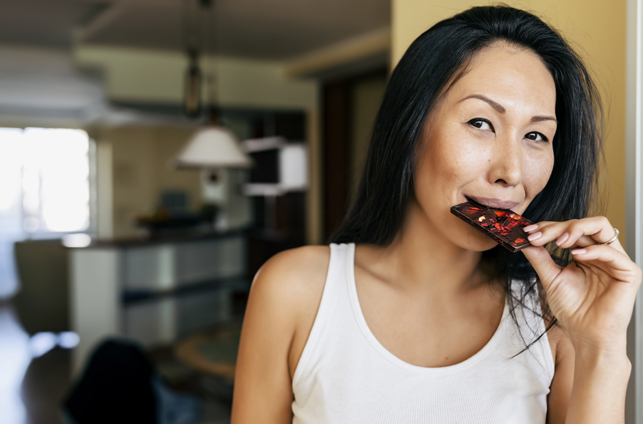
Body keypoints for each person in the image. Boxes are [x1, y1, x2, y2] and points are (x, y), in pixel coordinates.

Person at [231, 5, 641, 423]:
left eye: (536, 135)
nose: (512, 173)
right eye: (481, 122)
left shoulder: (554, 319)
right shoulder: (295, 291)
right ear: (409, 128)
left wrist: (602, 349)